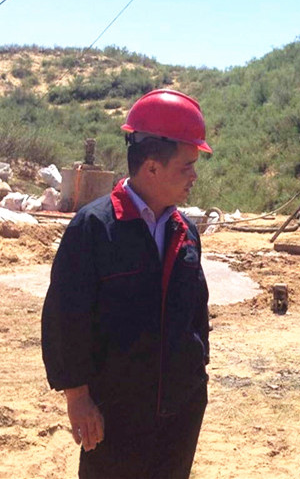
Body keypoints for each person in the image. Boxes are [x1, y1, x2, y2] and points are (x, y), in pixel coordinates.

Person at [41, 89, 212, 479]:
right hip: (116, 416)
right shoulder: (95, 228)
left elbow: (196, 315)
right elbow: (66, 317)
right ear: (151, 168)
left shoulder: (185, 232)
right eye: (186, 166)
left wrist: (196, 373)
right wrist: (77, 396)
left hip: (179, 413)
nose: (194, 176)